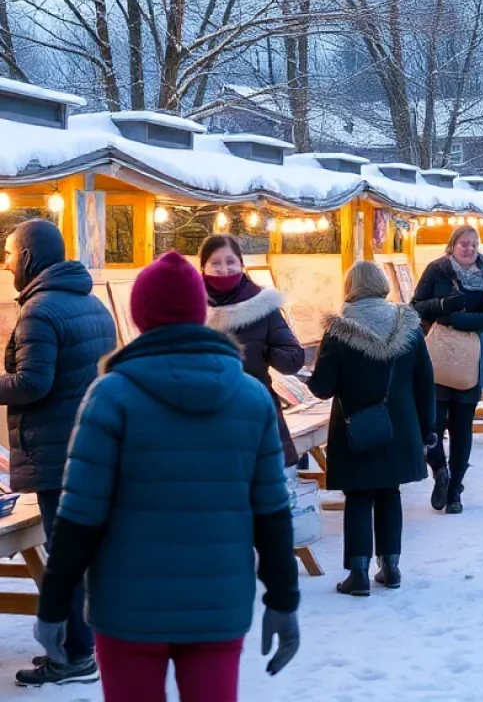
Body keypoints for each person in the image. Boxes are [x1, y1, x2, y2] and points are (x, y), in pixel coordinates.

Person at [32, 252, 299, 701]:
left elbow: (79, 515)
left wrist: (56, 605)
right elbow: (271, 512)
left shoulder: (110, 396)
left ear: (139, 316)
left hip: (126, 606)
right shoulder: (251, 398)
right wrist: (283, 599)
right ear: (199, 313)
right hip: (218, 603)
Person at [0, 218, 116, 688]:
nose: (5, 263)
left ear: (27, 257)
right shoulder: (90, 303)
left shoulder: (39, 312)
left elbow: (33, 382)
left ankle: (74, 656)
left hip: (56, 453)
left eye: (8, 254)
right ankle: (85, 644)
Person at [309, 262, 435, 595]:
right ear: (382, 284)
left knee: (359, 497)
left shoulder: (338, 330)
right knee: (390, 493)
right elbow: (425, 381)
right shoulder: (408, 325)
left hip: (355, 429)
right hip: (399, 427)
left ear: (350, 287)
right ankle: (391, 568)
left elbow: (321, 388)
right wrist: (428, 428)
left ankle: (359, 573)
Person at [412, 225, 483, 514]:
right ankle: (440, 471)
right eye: (464, 244)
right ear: (452, 245)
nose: (469, 249)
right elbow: (417, 306)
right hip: (436, 356)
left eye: (474, 244)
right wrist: (443, 305)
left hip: (469, 359)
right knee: (432, 426)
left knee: (462, 428)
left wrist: (458, 320)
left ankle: (455, 488)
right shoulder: (437, 270)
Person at [201, 234, 306, 468]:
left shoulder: (262, 307)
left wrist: (268, 353)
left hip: (256, 413)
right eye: (215, 263)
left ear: (241, 265)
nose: (223, 269)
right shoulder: (189, 310)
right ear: (203, 267)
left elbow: (294, 358)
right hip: (204, 416)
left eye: (230, 261)